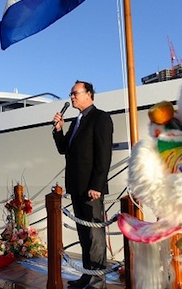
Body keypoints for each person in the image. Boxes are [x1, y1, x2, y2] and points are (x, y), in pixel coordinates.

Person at [52, 80, 113, 289]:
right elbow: (64, 149)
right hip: (76, 186)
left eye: (75, 93)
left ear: (89, 94)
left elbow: (104, 155)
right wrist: (58, 130)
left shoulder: (100, 118)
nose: (71, 97)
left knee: (95, 236)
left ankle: (97, 282)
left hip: (91, 189)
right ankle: (87, 276)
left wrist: (97, 184)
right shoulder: (77, 122)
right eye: (70, 93)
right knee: (83, 235)